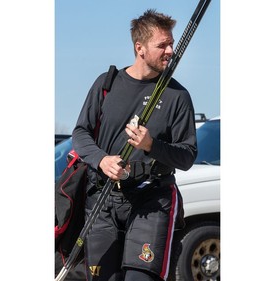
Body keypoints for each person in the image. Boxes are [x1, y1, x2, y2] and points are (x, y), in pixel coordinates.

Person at [72, 9, 197, 281]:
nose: (171, 50)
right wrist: (101, 160)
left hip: (152, 200)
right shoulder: (107, 84)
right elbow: (80, 134)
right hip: (103, 200)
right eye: (162, 44)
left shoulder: (177, 96)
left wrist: (152, 145)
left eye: (172, 43)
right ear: (139, 48)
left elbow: (187, 157)